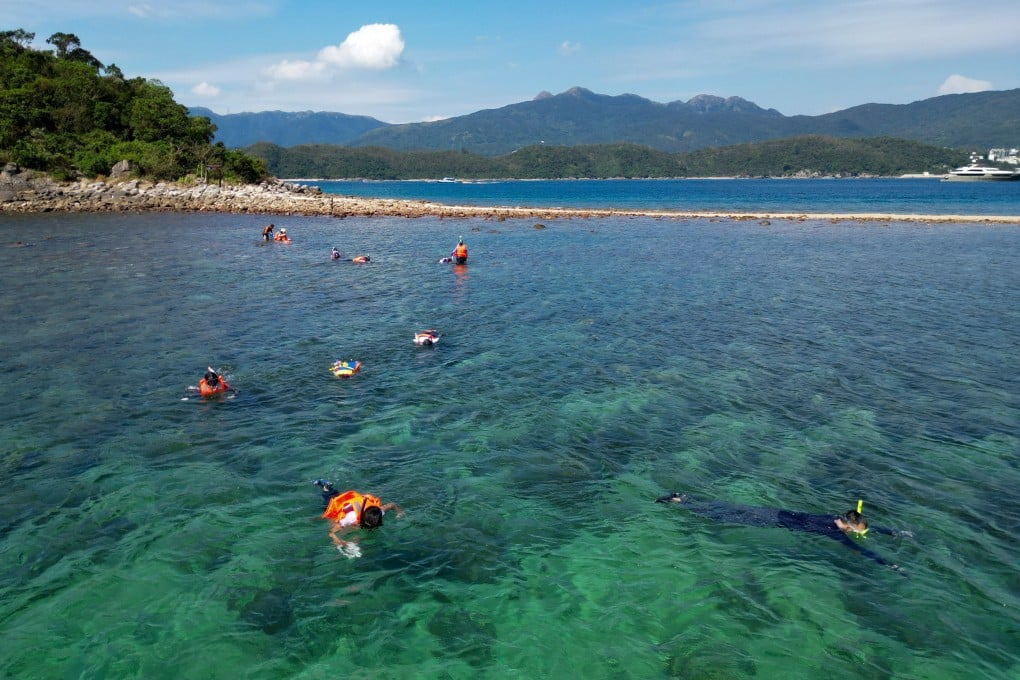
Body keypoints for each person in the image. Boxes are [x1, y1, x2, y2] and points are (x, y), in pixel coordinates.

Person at [656, 492, 908, 572]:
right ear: (850, 527)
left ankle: (685, 498)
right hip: (768, 522)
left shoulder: (835, 518)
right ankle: (681, 503)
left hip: (773, 512)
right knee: (722, 515)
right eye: (858, 532)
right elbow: (860, 551)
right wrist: (889, 564)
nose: (858, 535)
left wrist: (892, 532)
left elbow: (862, 529)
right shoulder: (834, 534)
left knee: (727, 508)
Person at [313, 480, 403, 554]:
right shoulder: (351, 518)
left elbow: (392, 505)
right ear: (363, 518)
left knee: (337, 494)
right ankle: (324, 485)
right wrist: (337, 539)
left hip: (352, 502)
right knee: (328, 498)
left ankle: (329, 488)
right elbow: (331, 532)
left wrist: (400, 512)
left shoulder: (378, 512)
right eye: (370, 525)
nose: (372, 526)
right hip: (339, 506)